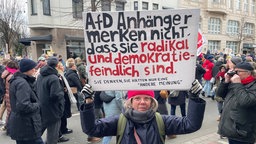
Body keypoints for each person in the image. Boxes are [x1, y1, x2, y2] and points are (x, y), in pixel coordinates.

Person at [80, 80, 206, 144]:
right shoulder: (120, 121)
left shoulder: (161, 120)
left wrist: (194, 98)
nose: (142, 102)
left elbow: (191, 124)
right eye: (137, 98)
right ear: (130, 101)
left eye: (147, 98)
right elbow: (92, 129)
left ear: (152, 102)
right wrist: (88, 100)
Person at [216, 62, 256, 144]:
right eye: (234, 71)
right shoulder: (234, 83)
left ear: (248, 73)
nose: (235, 74)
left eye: (238, 72)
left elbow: (246, 101)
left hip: (243, 131)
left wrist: (237, 84)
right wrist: (226, 81)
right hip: (231, 128)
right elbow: (220, 94)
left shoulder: (253, 85)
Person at [8, 58, 44, 144]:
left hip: (22, 124)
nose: (34, 70)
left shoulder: (17, 80)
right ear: (28, 69)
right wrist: (38, 104)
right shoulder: (22, 83)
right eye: (33, 68)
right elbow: (23, 105)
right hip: (27, 126)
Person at [36, 57, 67, 144]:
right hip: (53, 109)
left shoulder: (40, 75)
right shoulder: (53, 77)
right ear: (57, 65)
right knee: (53, 135)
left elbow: (36, 89)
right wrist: (61, 93)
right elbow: (55, 95)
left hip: (42, 106)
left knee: (39, 131)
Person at [0, 60, 19, 132]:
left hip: (6, 94)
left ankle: (7, 126)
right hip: (10, 95)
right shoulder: (12, 75)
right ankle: (9, 127)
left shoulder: (5, 73)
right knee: (11, 112)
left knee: (8, 111)